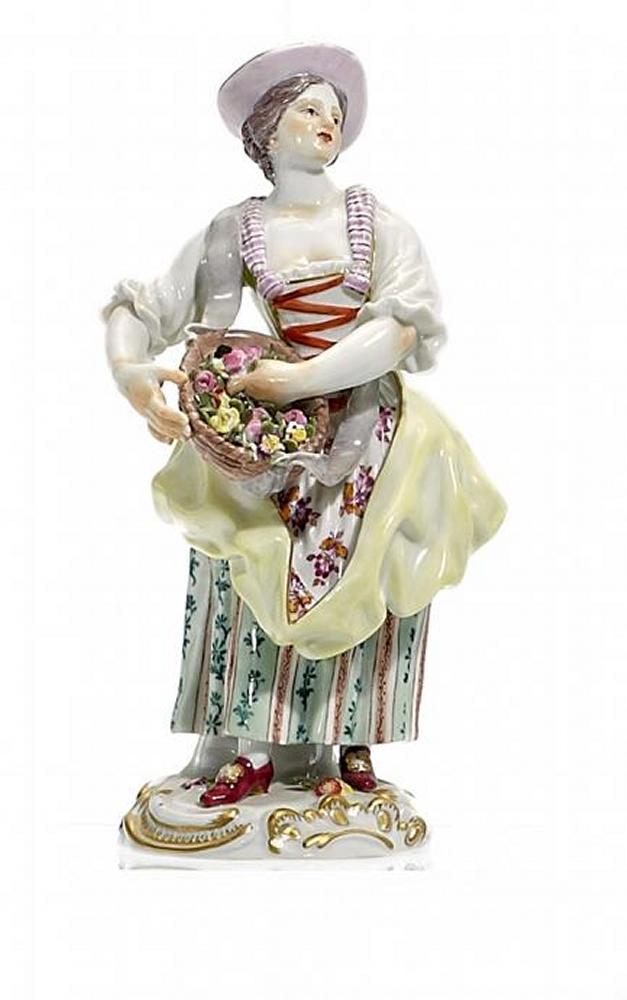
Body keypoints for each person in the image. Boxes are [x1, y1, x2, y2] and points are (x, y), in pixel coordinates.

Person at [104, 43, 505, 808]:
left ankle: (342, 738)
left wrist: (301, 379)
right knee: (252, 568)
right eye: (307, 108)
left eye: (334, 111)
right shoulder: (236, 228)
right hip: (273, 434)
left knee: (368, 567)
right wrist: (132, 374)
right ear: (265, 130)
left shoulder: (378, 224)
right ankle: (250, 740)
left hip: (372, 428)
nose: (327, 121)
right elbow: (148, 308)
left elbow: (398, 329)